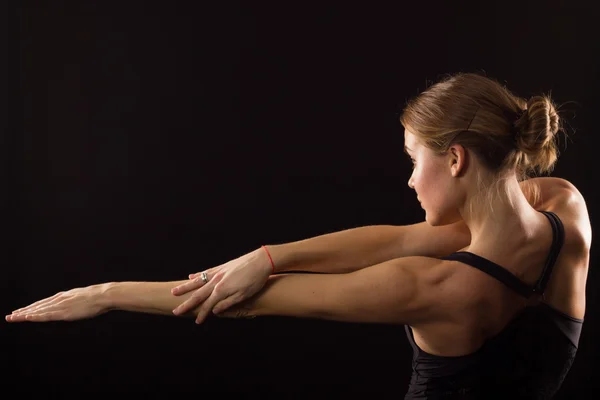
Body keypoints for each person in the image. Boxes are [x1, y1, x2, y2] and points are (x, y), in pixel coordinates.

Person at [7, 72, 591, 399]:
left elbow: (246, 302)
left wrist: (106, 293)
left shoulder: (437, 288)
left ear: (457, 159)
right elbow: (398, 239)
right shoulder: (566, 211)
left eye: (414, 159)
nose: (410, 179)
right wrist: (268, 254)